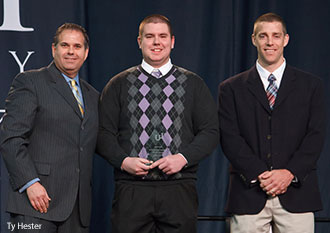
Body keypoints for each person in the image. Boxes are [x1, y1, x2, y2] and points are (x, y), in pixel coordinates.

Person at [97, 14, 219, 233]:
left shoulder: (193, 84)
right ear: (139, 41)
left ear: (172, 41)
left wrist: (183, 158)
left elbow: (210, 132)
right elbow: (102, 134)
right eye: (150, 36)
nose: (156, 42)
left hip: (179, 188)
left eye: (162, 36)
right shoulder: (119, 84)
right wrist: (124, 161)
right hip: (131, 189)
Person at [218, 12, 326, 233]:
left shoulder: (311, 86)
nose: (269, 42)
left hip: (297, 195)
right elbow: (229, 137)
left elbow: (315, 136)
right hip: (248, 194)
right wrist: (261, 175)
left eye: (276, 36)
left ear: (285, 40)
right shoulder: (231, 88)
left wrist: (288, 174)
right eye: (263, 35)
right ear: (253, 39)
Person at [0, 23, 99, 233]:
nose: (71, 51)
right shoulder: (30, 82)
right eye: (65, 45)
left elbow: (96, 142)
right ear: (54, 49)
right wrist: (30, 183)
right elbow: (11, 137)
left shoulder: (93, 96)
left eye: (77, 46)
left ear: (86, 52)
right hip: (36, 202)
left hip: (77, 209)